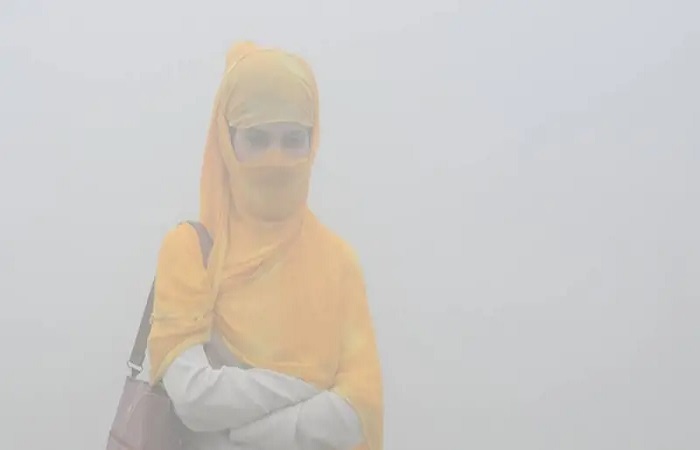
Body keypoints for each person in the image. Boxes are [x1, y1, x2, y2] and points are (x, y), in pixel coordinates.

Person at [146, 41, 383, 450]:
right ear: (226, 140)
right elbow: (194, 399)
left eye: (293, 139)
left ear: (313, 141)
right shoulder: (190, 251)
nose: (276, 159)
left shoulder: (338, 263)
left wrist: (246, 433)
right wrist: (310, 387)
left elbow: (356, 415)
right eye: (257, 139)